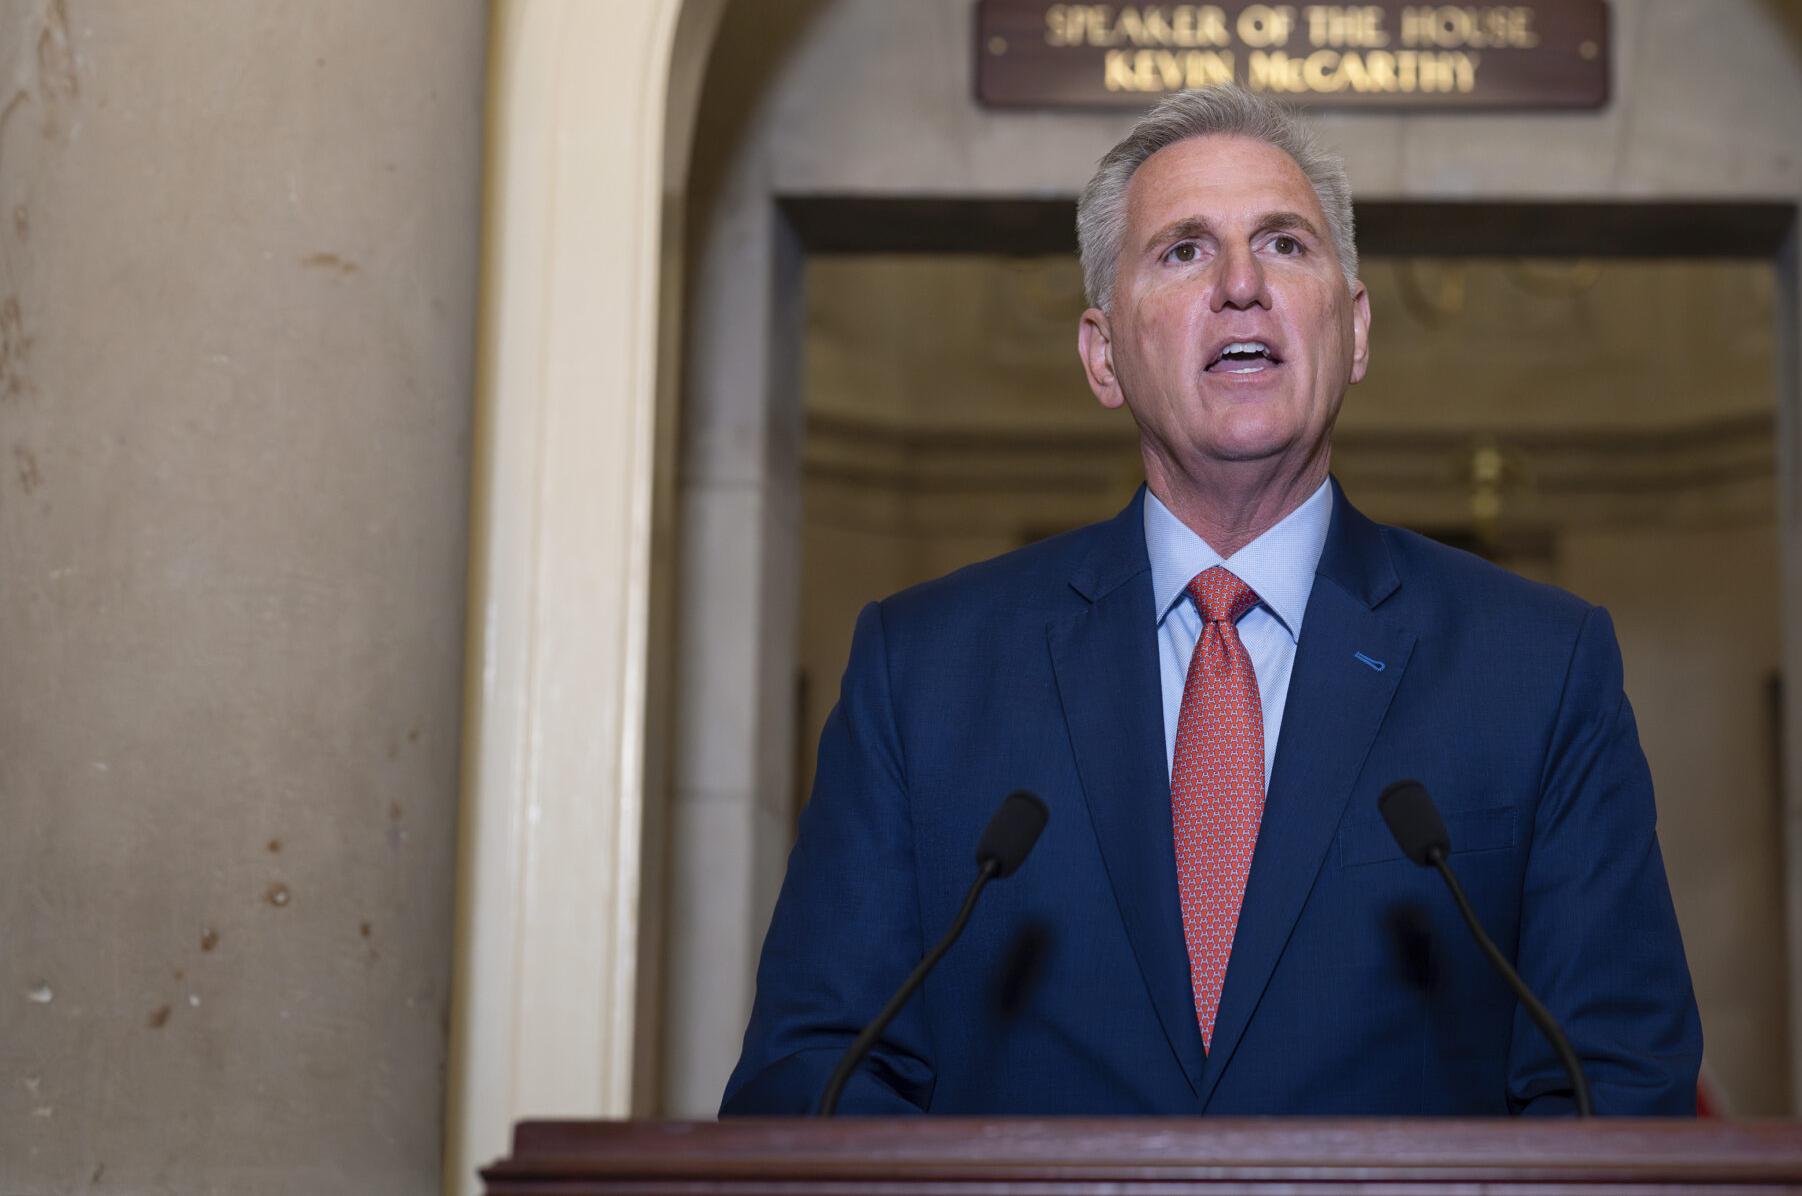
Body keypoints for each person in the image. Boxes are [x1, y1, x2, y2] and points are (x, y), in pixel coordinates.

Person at [723, 86, 1701, 1117]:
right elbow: (812, 1080)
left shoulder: (1538, 667)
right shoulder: (921, 670)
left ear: (1356, 330)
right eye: (1184, 250)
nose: (1241, 284)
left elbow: (1616, 1090)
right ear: (1103, 355)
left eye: (1284, 243)